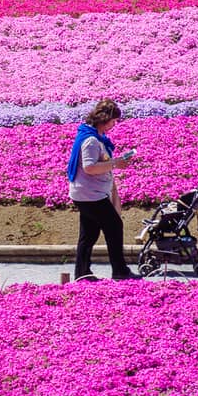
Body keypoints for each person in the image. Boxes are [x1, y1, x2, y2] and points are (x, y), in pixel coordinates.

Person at [67, 99, 137, 281]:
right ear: (104, 120)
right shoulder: (91, 140)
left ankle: (82, 273)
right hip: (90, 194)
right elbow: (89, 167)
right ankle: (119, 270)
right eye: (113, 121)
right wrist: (115, 163)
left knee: (88, 234)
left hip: (86, 193)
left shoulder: (94, 137)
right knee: (114, 226)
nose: (114, 125)